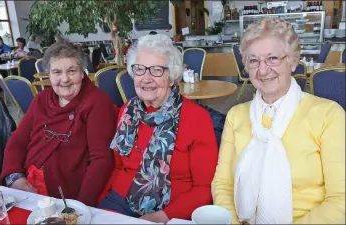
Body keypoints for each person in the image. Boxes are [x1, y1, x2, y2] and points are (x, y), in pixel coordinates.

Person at [212, 18, 345, 224]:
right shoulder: (235, 116)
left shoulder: (328, 115)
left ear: (292, 61)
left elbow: (340, 201)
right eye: (254, 61)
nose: (263, 70)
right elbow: (223, 185)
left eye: (272, 58)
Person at [97, 34, 218, 223]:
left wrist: (163, 216)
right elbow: (118, 168)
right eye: (140, 69)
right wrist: (101, 207)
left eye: (156, 70)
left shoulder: (196, 118)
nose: (146, 78)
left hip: (171, 210)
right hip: (119, 202)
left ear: (171, 77)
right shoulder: (127, 112)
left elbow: (204, 188)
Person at [0, 41, 117, 207]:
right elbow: (18, 140)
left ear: (83, 73)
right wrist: (14, 177)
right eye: (57, 72)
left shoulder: (97, 101)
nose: (65, 79)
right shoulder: (42, 99)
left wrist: (81, 207)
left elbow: (101, 161)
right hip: (25, 184)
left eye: (72, 71)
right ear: (49, 75)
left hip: (65, 195)